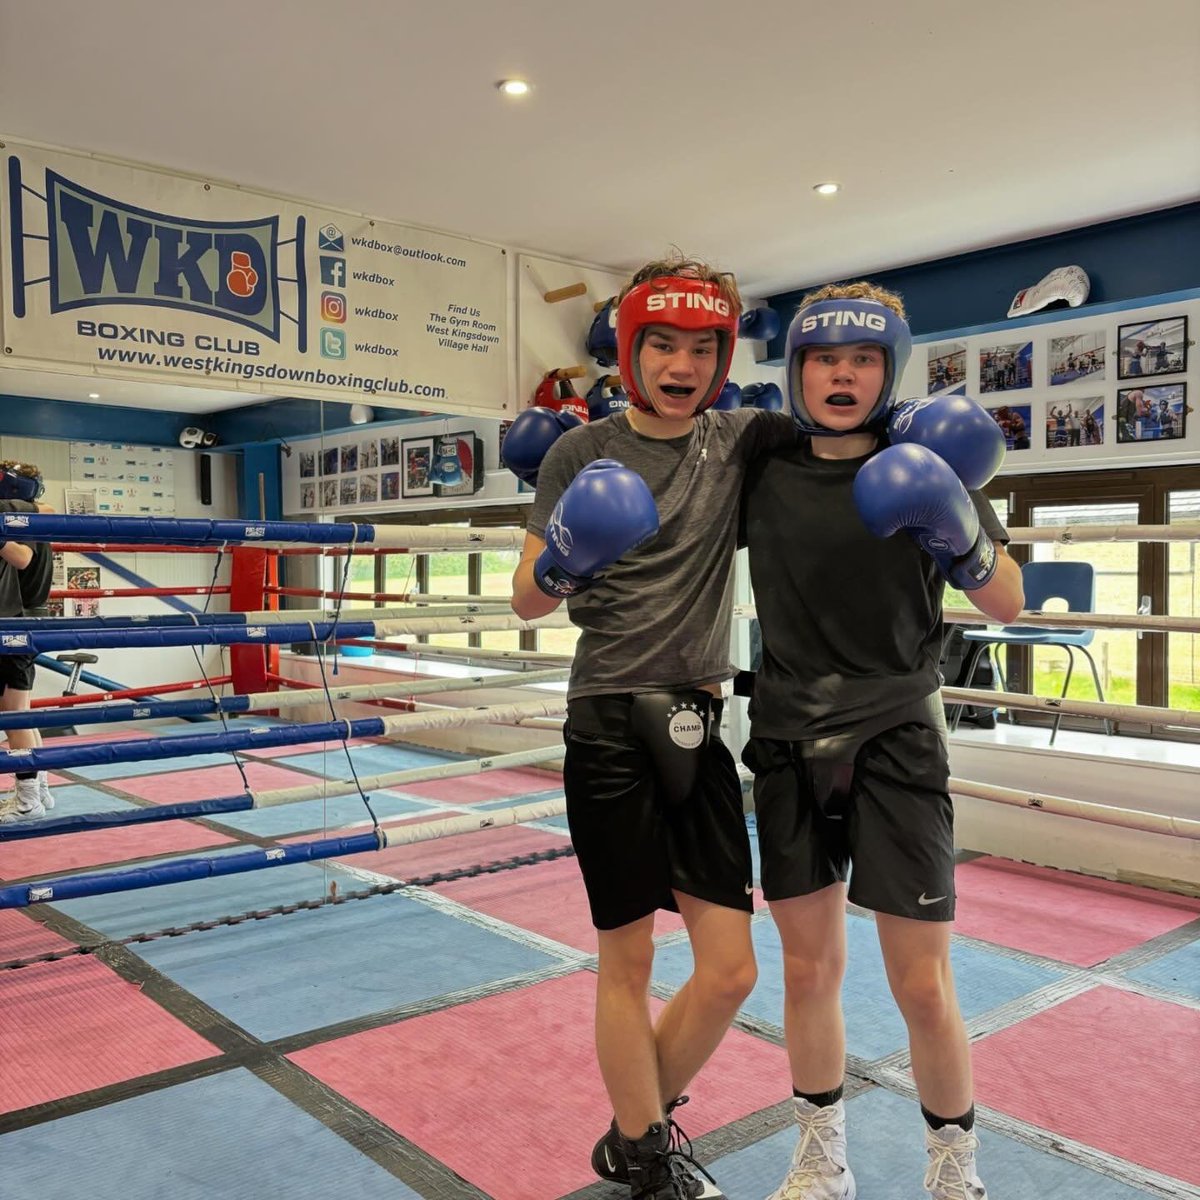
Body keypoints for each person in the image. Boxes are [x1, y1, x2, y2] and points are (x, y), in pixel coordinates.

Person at [507, 255, 794, 1200]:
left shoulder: (742, 439)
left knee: (729, 970)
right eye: (662, 341)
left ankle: (633, 1129)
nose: (682, 362)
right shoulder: (576, 454)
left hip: (698, 722)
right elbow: (523, 605)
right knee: (626, 959)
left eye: (702, 345)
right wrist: (563, 561)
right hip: (605, 719)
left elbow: (843, 436)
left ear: (723, 355)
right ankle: (648, 1154)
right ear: (631, 348)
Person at [741, 282, 1024, 1200]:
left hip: (898, 735)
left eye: (864, 359)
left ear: (888, 371)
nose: (843, 375)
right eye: (825, 357)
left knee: (921, 980)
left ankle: (955, 1170)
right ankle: (822, 1158)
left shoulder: (928, 461)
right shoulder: (764, 467)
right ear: (797, 369)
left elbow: (1007, 601)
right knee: (809, 967)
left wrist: (963, 539)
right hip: (786, 736)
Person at [0, 462, 54, 824]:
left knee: (13, 713)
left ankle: (27, 798)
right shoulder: (26, 516)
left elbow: (22, 558)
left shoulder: (15, 521)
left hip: (21, 619)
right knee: (22, 711)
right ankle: (40, 787)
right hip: (26, 616)